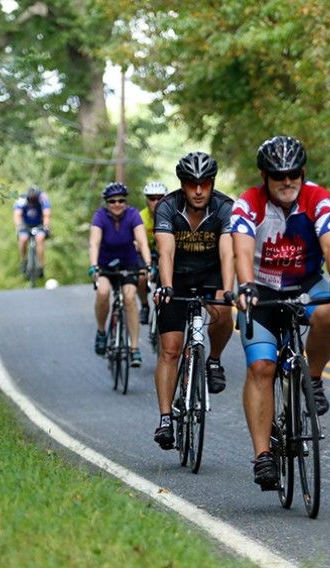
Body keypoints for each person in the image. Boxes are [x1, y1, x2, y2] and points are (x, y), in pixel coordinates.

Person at [230, 135, 330, 489]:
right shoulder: (247, 203)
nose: (287, 181)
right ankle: (263, 456)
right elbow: (241, 248)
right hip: (262, 290)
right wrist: (245, 284)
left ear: (302, 173)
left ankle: (311, 377)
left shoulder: (319, 197)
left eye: (294, 174)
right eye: (278, 175)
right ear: (264, 176)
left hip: (305, 284)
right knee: (261, 367)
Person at [151, 151, 235, 450]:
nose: (198, 190)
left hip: (211, 276)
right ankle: (164, 419)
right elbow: (167, 252)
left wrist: (227, 289)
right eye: (191, 184)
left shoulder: (225, 207)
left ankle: (213, 361)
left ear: (212, 183)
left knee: (225, 312)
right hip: (178, 279)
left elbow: (228, 251)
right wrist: (167, 286)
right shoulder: (167, 207)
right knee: (170, 350)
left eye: (204, 183)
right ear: (182, 184)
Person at [88, 182, 152, 368]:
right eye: (112, 201)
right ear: (106, 203)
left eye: (121, 200)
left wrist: (147, 264)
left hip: (128, 264)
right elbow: (94, 243)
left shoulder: (132, 215)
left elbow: (142, 242)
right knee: (103, 292)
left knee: (130, 298)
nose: (117, 204)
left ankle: (134, 348)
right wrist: (93, 266)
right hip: (105, 266)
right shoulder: (99, 216)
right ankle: (101, 331)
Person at [137, 181, 168, 325]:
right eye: (152, 198)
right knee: (141, 277)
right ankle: (144, 306)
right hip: (146, 254)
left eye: (159, 198)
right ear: (146, 200)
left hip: (165, 253)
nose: (156, 202)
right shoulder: (141, 217)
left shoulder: (171, 214)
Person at [13, 185, 51, 278]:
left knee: (40, 238)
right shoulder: (21, 199)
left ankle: (41, 266)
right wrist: (18, 226)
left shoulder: (43, 198)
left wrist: (46, 226)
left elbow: (46, 215)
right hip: (25, 225)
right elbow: (17, 215)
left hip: (39, 225)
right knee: (23, 239)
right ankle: (24, 261)